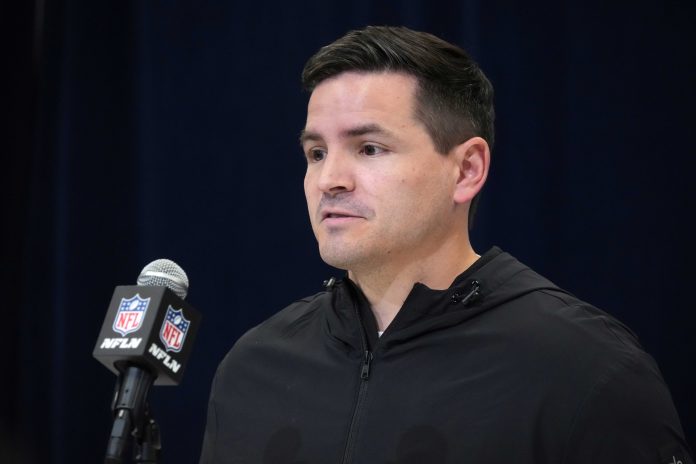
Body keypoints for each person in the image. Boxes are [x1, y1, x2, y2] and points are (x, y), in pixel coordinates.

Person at [199, 26, 691, 463]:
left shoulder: (584, 367)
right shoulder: (253, 368)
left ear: (466, 170)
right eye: (316, 152)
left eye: (369, 148)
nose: (329, 179)